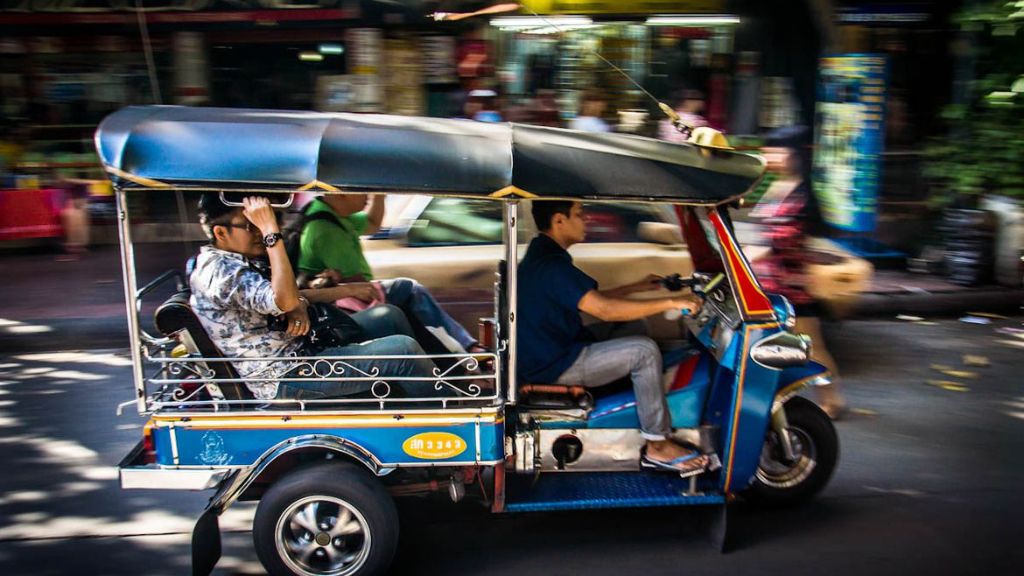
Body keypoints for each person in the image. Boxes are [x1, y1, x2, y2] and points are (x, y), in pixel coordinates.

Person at [517, 200, 711, 476]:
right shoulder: (551, 266)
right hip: (555, 365)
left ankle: (640, 397)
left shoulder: (545, 255)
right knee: (644, 351)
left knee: (637, 326)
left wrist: (638, 287)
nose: (587, 221)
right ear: (559, 220)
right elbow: (604, 310)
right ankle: (658, 444)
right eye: (580, 215)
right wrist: (671, 301)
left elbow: (593, 299)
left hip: (556, 347)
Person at [190, 192, 439, 401]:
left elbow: (289, 295)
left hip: (305, 348)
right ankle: (447, 418)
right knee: (403, 351)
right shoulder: (222, 272)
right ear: (221, 233)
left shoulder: (236, 262)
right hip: (287, 374)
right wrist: (270, 233)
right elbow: (284, 299)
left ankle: (431, 383)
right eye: (249, 226)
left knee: (390, 316)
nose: (257, 231)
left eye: (260, 224)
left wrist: (345, 290)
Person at [297, 193, 484, 354]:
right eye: (359, 190)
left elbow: (372, 224)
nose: (367, 195)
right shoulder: (326, 230)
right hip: (337, 308)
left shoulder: (331, 213)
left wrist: (379, 194)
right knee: (407, 293)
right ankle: (461, 356)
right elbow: (359, 284)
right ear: (339, 194)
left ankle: (461, 351)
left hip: (345, 296)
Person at [750, 126, 846, 419]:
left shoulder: (801, 196)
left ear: (793, 155)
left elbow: (781, 240)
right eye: (768, 150)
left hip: (792, 289)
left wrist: (753, 256)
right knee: (765, 348)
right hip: (768, 287)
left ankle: (832, 399)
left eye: (776, 150)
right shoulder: (775, 187)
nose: (769, 155)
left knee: (812, 349)